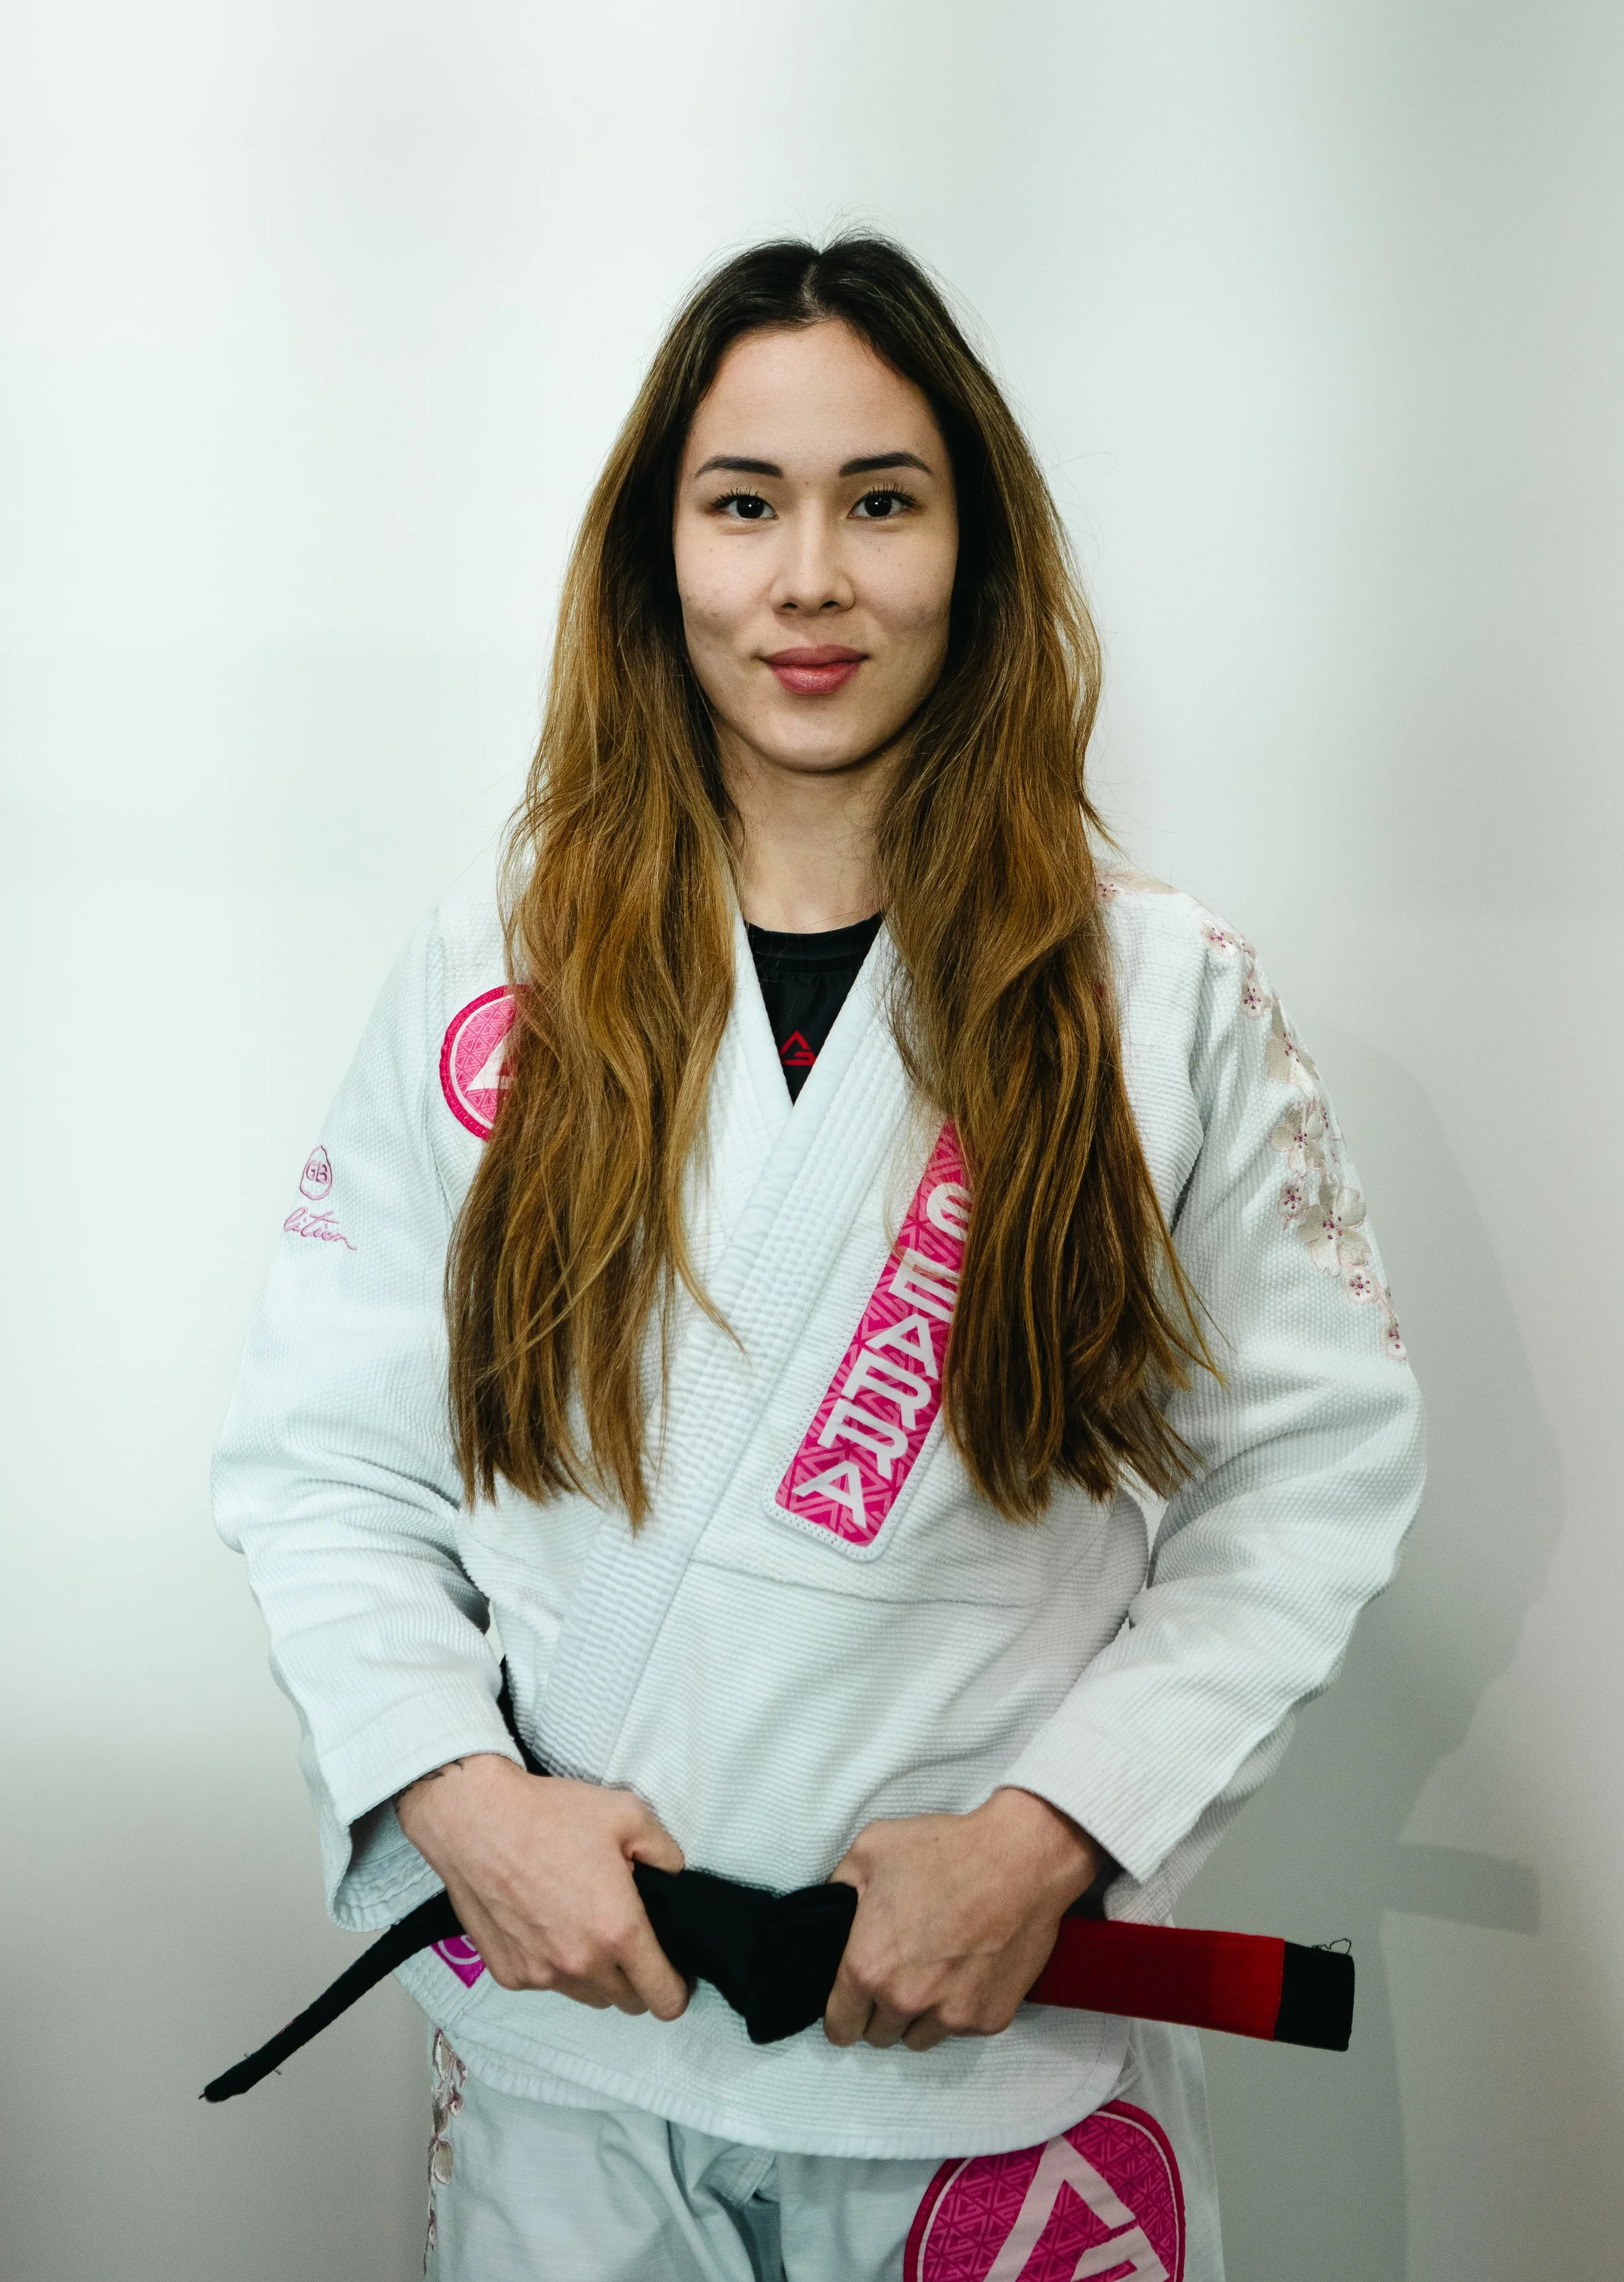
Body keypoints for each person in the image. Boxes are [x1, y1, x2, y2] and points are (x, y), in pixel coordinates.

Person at [213, 235, 1425, 2282]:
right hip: (575, 2054)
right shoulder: (494, 972)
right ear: (655, 555)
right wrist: (456, 1793)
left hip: (985, 2066)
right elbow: (326, 1458)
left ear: (972, 547)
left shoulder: (1147, 993)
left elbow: (1303, 1477)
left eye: (881, 498)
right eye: (742, 502)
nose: (809, 580)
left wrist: (1048, 1840)